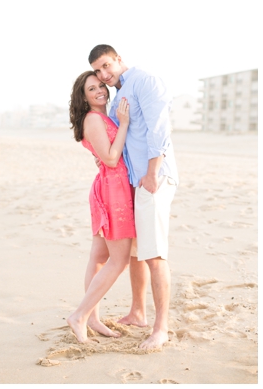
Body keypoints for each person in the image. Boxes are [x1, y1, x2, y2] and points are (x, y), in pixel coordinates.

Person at [89, 44, 178, 350]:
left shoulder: (145, 81)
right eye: (99, 71)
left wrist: (153, 172)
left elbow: (158, 129)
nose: (104, 74)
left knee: (154, 255)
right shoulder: (118, 97)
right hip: (135, 182)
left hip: (152, 177)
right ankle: (138, 312)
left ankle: (161, 328)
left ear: (119, 60)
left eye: (106, 66)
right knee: (138, 253)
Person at [65, 71, 135, 343]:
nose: (99, 91)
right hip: (113, 190)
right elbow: (109, 157)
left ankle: (92, 319)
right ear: (83, 97)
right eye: (91, 89)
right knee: (118, 261)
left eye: (100, 86)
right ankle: (80, 315)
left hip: (109, 186)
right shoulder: (94, 118)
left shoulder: (101, 117)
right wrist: (126, 123)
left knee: (99, 258)